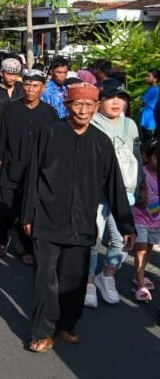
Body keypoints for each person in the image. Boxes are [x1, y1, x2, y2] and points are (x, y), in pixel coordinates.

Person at [22, 82, 135, 353]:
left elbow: (114, 186)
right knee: (45, 279)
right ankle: (43, 331)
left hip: (82, 222)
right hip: (47, 218)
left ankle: (66, 325)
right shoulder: (49, 133)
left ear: (96, 108)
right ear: (67, 105)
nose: (83, 110)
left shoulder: (101, 142)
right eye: (77, 104)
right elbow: (33, 176)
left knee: (74, 279)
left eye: (89, 105)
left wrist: (125, 224)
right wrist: (28, 214)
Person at [0, 69, 57, 265]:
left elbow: (53, 146)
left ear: (42, 89)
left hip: (36, 173)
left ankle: (24, 247)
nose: (30, 89)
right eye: (27, 85)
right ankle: (3, 235)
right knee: (5, 209)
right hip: (11, 170)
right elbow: (0, 139)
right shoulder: (11, 109)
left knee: (28, 212)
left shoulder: (49, 114)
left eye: (35, 86)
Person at [85, 78, 141, 308]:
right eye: (110, 97)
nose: (116, 102)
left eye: (121, 98)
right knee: (92, 238)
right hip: (96, 192)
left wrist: (141, 188)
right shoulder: (90, 122)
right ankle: (87, 279)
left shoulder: (130, 125)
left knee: (121, 239)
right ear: (100, 101)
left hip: (124, 192)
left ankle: (107, 275)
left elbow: (136, 158)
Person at [133, 141, 160, 302]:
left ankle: (138, 275)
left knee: (148, 249)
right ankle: (141, 284)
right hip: (140, 217)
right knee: (141, 249)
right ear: (148, 156)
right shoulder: (142, 173)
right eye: (156, 156)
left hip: (156, 221)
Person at [139, 69, 160, 142]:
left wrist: (142, 102)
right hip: (145, 121)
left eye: (148, 76)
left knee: (149, 144)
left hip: (151, 123)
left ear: (155, 79)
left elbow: (142, 102)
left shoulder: (156, 90)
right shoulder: (150, 89)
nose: (146, 78)